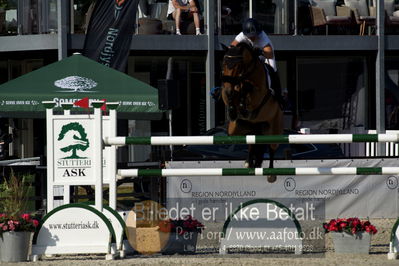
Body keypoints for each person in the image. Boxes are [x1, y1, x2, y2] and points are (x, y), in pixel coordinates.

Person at [230, 18, 284, 107]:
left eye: (254, 35)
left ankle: (278, 96)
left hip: (265, 55)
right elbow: (232, 45)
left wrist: (261, 52)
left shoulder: (263, 37)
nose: (253, 37)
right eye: (250, 35)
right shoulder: (242, 35)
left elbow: (269, 54)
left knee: (273, 70)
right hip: (253, 54)